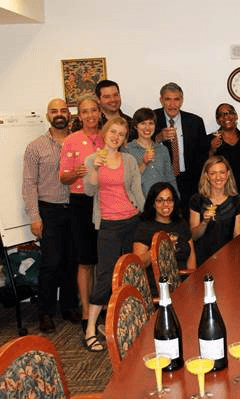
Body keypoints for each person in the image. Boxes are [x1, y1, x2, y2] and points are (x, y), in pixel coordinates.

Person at [82, 117, 144, 352]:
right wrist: (95, 168)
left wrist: (143, 211)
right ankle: (90, 329)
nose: (116, 137)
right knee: (105, 275)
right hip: (108, 224)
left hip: (131, 221)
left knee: (130, 273)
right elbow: (89, 191)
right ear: (105, 133)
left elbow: (136, 189)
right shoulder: (92, 159)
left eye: (121, 134)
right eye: (113, 132)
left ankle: (128, 325)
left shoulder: (129, 160)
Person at [22, 98, 80, 333]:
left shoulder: (78, 142)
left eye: (63, 110)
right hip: (49, 210)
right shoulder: (35, 146)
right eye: (54, 111)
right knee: (51, 263)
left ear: (69, 115)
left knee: (72, 261)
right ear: (48, 116)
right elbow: (29, 184)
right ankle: (45, 312)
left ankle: (68, 307)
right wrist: (35, 217)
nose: (59, 114)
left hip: (75, 208)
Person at [59, 97, 104, 333]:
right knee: (85, 261)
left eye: (93, 110)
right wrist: (75, 173)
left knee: (105, 260)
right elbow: (63, 177)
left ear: (99, 111)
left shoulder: (108, 137)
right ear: (80, 115)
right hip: (80, 203)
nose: (89, 115)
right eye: (84, 112)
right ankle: (87, 313)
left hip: (106, 201)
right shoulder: (71, 141)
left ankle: (104, 310)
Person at [153, 82, 210, 219]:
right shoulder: (152, 119)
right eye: (168, 99)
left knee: (189, 220)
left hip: (189, 181)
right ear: (161, 100)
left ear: (182, 100)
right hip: (162, 179)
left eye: (176, 99)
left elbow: (203, 155)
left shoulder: (195, 121)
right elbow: (139, 145)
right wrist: (158, 138)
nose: (172, 104)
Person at [208, 103, 240, 233]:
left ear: (236, 116)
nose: (226, 117)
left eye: (229, 113)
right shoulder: (209, 140)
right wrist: (212, 149)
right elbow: (204, 168)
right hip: (219, 199)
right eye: (221, 115)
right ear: (218, 120)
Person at [189, 156, 240, 266]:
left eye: (222, 172)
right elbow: (193, 236)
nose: (218, 177)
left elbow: (237, 236)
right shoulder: (197, 200)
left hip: (228, 259)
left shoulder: (237, 200)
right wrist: (204, 222)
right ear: (207, 176)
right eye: (213, 173)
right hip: (203, 260)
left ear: (228, 174)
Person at [133, 182, 196, 270]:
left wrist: (191, 280)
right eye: (160, 200)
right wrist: (157, 248)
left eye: (169, 200)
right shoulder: (145, 227)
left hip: (184, 279)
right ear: (153, 204)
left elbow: (191, 257)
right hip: (159, 281)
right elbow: (138, 265)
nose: (165, 204)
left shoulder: (181, 223)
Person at [122, 108, 178, 197]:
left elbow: (170, 178)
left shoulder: (162, 149)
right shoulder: (127, 149)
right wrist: (144, 163)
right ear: (136, 126)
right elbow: (127, 180)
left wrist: (176, 199)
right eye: (143, 123)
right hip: (139, 201)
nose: (147, 127)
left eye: (151, 123)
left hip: (161, 201)